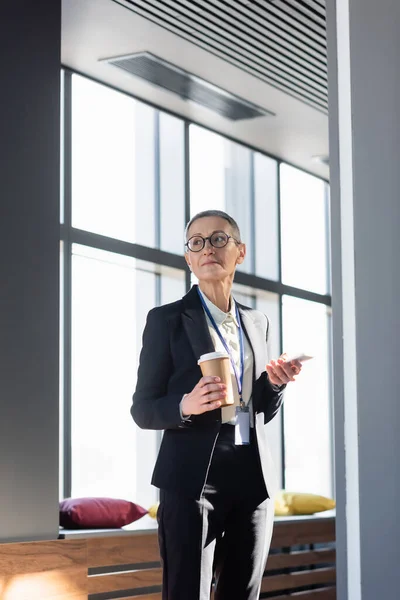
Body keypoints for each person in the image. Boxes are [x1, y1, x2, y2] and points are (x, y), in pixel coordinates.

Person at [131, 209, 303, 600]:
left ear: (239, 252)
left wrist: (275, 385)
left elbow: (262, 410)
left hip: (252, 472)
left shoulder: (257, 322)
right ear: (189, 259)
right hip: (192, 480)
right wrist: (185, 405)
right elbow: (142, 409)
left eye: (219, 239)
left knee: (243, 592)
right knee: (186, 592)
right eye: (197, 242)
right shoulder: (166, 320)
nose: (208, 248)